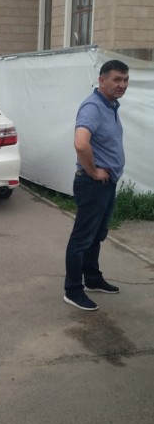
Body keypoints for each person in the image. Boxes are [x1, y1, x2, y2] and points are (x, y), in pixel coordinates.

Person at [64, 59, 130, 311]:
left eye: (125, 80)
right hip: (93, 184)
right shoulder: (93, 106)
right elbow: (81, 144)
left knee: (96, 235)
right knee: (81, 239)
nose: (122, 85)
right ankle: (73, 290)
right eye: (116, 79)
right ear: (102, 80)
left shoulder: (110, 105)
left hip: (106, 184)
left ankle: (92, 278)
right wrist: (93, 171)